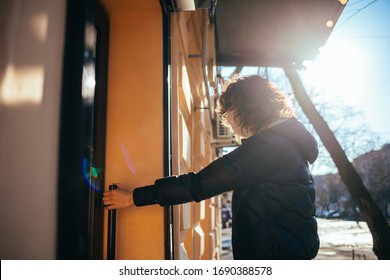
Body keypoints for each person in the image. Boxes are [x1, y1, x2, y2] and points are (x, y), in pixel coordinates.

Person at [103, 75, 320, 260]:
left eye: (230, 111)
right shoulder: (284, 145)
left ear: (247, 107)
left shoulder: (269, 147)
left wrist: (134, 197)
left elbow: (200, 184)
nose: (228, 120)